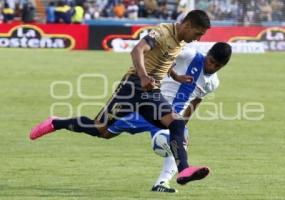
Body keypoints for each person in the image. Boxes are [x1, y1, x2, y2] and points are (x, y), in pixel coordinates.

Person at [30, 10, 211, 186]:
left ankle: (184, 170)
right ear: (187, 25)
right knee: (100, 129)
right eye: (198, 33)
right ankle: (56, 123)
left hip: (151, 92)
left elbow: (164, 59)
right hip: (132, 87)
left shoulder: (180, 41)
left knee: (177, 123)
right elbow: (137, 50)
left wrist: (176, 76)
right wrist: (142, 76)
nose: (198, 38)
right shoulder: (162, 33)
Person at [106, 42, 232, 192]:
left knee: (180, 140)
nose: (212, 67)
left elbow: (196, 101)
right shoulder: (189, 54)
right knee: (106, 131)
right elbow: (163, 53)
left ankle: (162, 183)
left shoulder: (213, 83)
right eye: (211, 61)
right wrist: (171, 72)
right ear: (208, 53)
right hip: (151, 107)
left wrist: (183, 124)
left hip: (171, 118)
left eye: (218, 66)